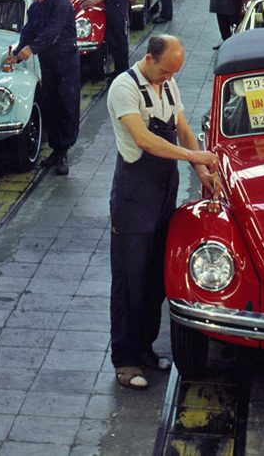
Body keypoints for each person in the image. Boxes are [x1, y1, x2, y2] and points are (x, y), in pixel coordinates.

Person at [106, 35, 219, 390]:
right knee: (129, 280)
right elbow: (145, 140)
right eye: (166, 71)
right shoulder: (124, 88)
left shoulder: (168, 86)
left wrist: (202, 171)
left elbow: (183, 130)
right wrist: (195, 158)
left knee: (156, 278)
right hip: (133, 197)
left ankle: (145, 350)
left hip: (162, 195)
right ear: (150, 59)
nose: (169, 78)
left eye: (174, 73)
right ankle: (124, 360)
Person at [5, 0, 81, 175]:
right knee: (52, 104)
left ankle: (63, 151)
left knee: (66, 105)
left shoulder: (60, 2)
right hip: (48, 63)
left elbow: (53, 32)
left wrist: (32, 48)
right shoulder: (34, 9)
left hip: (66, 63)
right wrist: (18, 52)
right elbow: (28, 31)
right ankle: (56, 150)